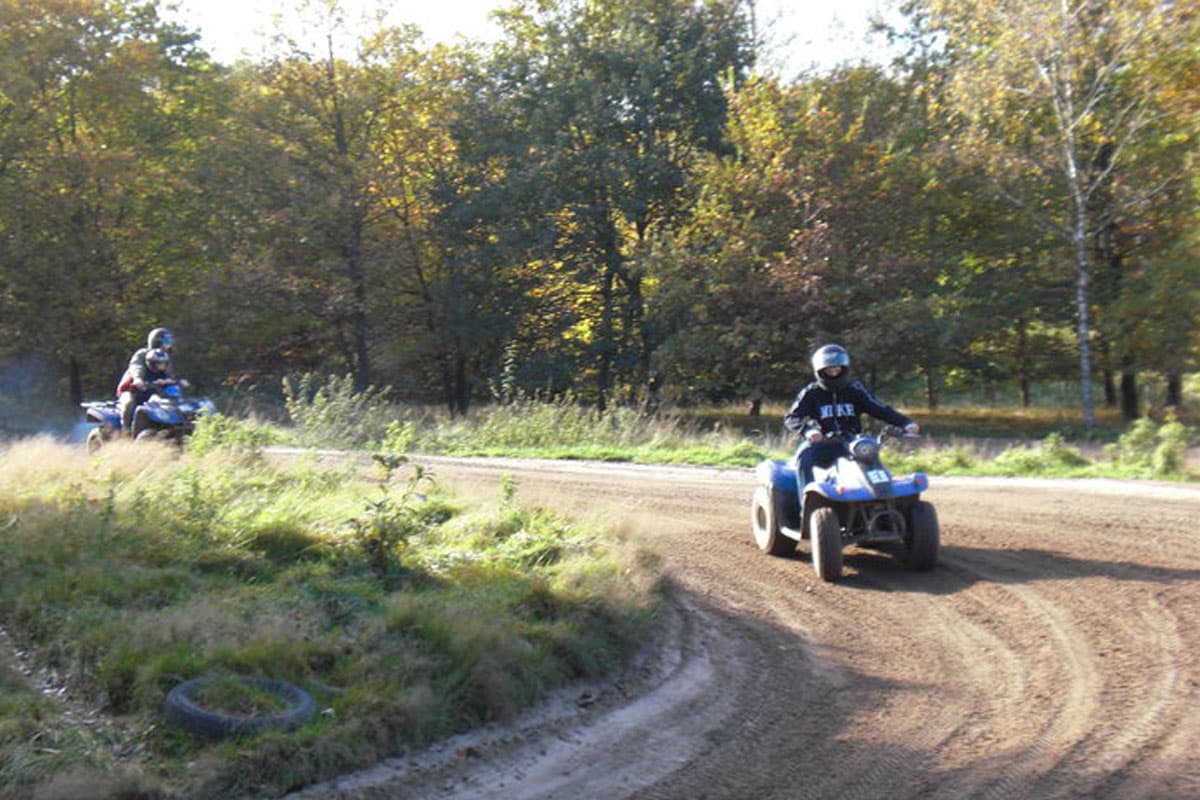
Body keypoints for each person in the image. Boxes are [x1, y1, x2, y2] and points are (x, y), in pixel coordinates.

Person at [784, 344, 920, 489]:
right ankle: (806, 504)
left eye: (837, 367)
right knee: (804, 458)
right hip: (823, 442)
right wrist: (808, 431)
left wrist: (905, 423)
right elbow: (792, 417)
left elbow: (879, 408)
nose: (834, 371)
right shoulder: (811, 392)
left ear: (844, 367)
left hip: (852, 442)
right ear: (820, 369)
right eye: (829, 368)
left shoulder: (855, 389)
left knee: (872, 459)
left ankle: (883, 496)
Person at [116, 330, 178, 437]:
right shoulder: (142, 354)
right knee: (129, 403)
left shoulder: (164, 356)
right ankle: (126, 431)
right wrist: (138, 379)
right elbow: (136, 367)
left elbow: (169, 374)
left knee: (171, 403)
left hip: (154, 389)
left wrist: (173, 381)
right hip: (132, 389)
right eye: (166, 341)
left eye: (169, 341)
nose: (168, 345)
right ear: (156, 342)